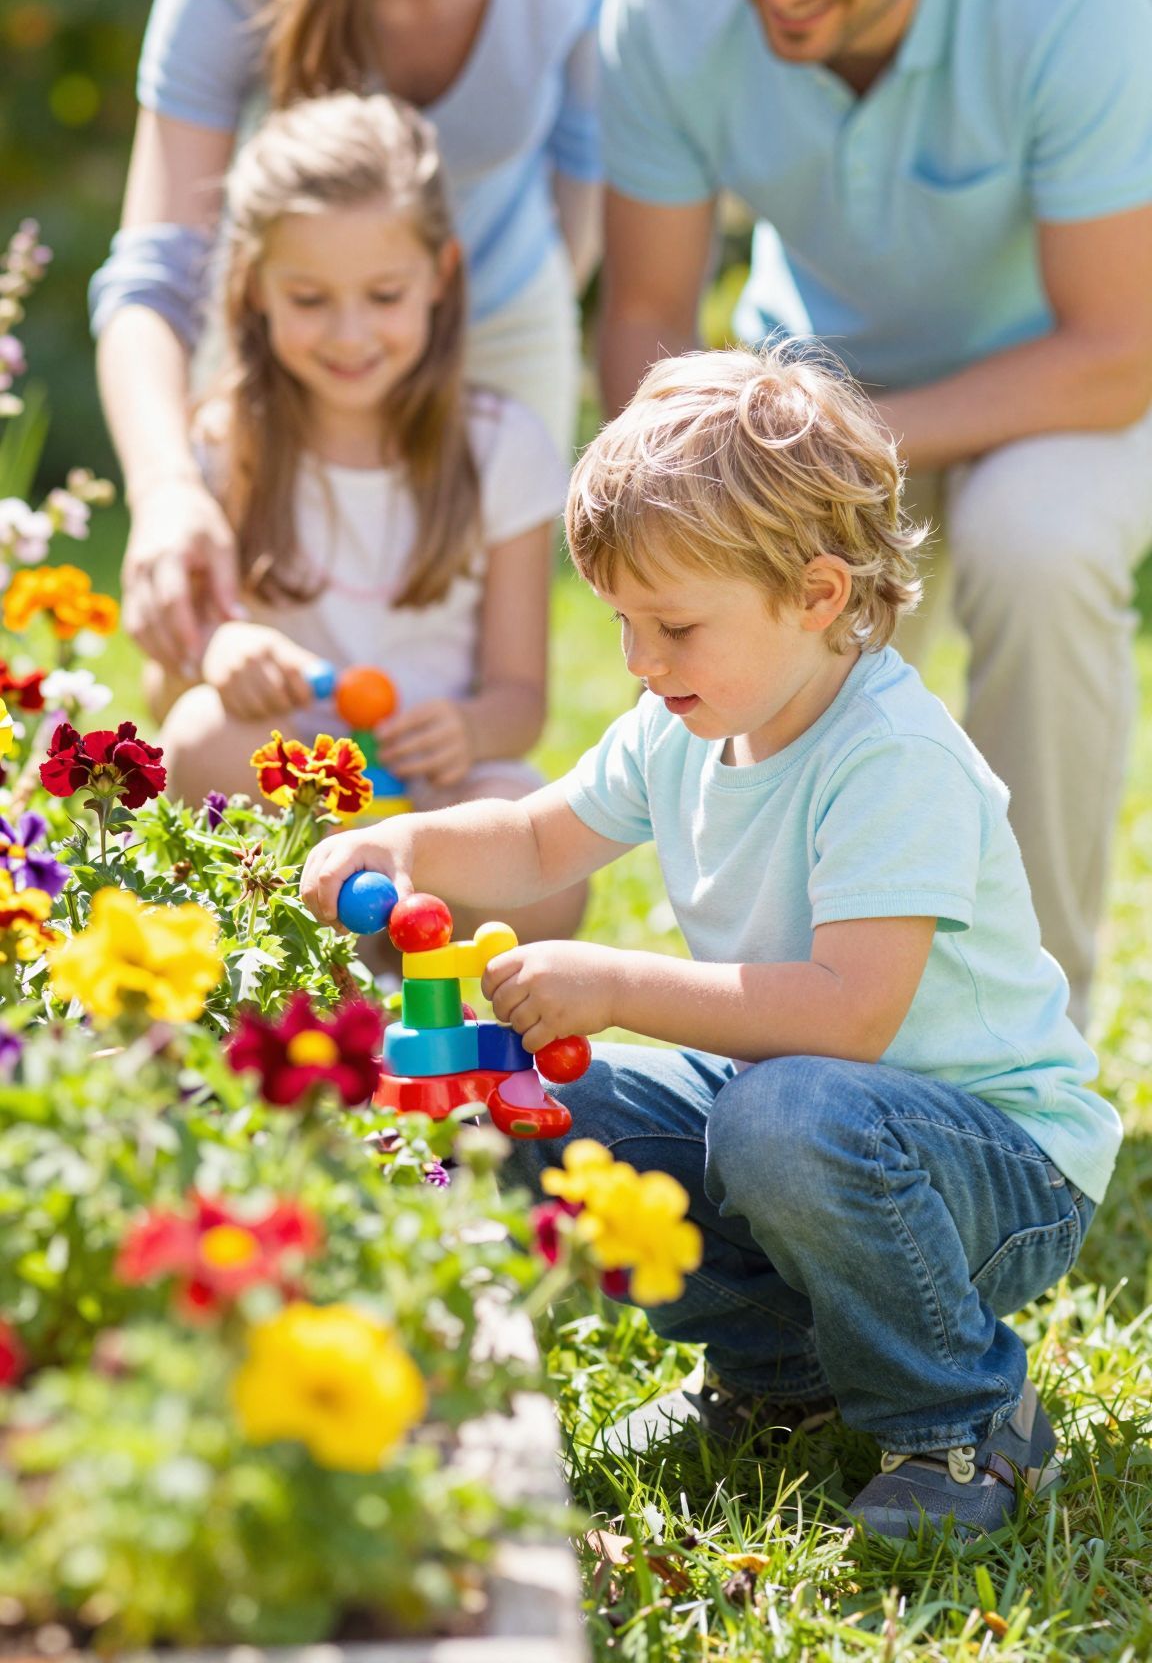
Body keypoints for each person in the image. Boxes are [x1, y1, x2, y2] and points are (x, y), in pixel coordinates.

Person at [300, 344, 1120, 1541]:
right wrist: (406, 840)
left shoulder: (891, 756)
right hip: (802, 1132)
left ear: (818, 594)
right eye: (624, 622)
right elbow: (534, 840)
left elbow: (848, 1015)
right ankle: (779, 1375)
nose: (641, 661)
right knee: (528, 1098)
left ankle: (962, 1419)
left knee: (779, 1115)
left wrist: (616, 983)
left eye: (675, 624)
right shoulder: (682, 723)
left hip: (996, 1172)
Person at [593, 0, 1152, 1027]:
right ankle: (796, 1014)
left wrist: (828, 449)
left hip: (1050, 401)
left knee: (1035, 544)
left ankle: (1037, 1034)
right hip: (805, 393)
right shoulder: (663, 5)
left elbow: (1118, 351)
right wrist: (685, 509)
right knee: (748, 608)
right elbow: (646, 307)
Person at [90, 0, 642, 681]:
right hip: (282, 327)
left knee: (477, 676)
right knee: (220, 666)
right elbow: (154, 269)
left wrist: (488, 319)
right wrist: (167, 489)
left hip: (502, 306)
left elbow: (587, 159)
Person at [159, 90, 582, 947]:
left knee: (542, 863)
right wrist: (219, 653)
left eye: (384, 294)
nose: (350, 334)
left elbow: (521, 699)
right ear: (255, 287)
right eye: (310, 298)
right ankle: (300, 940)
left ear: (440, 276)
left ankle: (391, 949)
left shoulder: (502, 447)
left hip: (432, 802)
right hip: (293, 799)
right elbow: (169, 686)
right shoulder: (224, 445)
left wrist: (468, 729)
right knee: (201, 733)